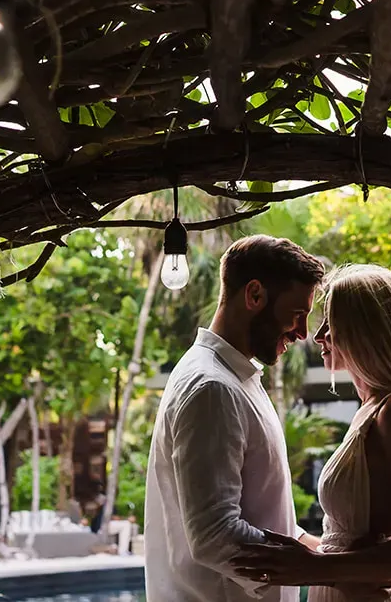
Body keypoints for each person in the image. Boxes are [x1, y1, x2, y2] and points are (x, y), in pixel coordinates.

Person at [233, 264, 391, 602]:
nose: (318, 335)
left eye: (331, 322)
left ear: (365, 329)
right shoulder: (371, 409)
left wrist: (314, 570)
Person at [144, 234, 329, 602]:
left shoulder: (236, 379)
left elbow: (267, 518)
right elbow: (216, 536)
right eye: (297, 314)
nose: (303, 333)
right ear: (255, 295)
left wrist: (329, 554)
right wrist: (322, 569)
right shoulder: (212, 389)